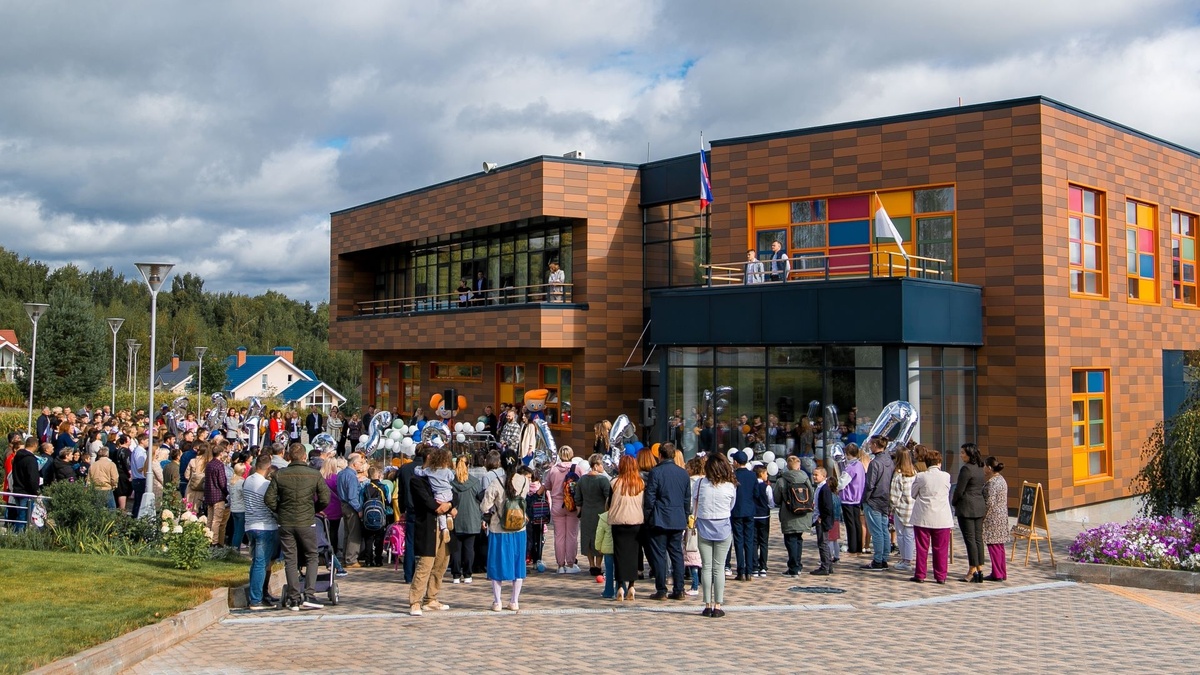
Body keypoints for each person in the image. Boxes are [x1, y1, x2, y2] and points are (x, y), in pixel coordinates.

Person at [264, 443, 331, 610]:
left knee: (290, 559)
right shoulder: (313, 474)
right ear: (304, 457)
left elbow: (269, 499)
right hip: (306, 521)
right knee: (312, 555)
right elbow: (325, 498)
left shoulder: (280, 474)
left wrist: (281, 511)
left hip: (285, 522)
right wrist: (314, 510)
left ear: (289, 457)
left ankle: (294, 598)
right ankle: (309, 594)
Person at [408, 444, 458, 616]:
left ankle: (431, 598)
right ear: (429, 459)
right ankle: (415, 601)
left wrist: (450, 504)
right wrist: (446, 506)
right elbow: (427, 502)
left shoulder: (442, 476)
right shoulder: (417, 479)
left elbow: (455, 493)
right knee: (425, 564)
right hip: (428, 525)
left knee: (441, 563)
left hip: (444, 527)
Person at [482, 458, 530, 611]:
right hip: (519, 527)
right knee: (518, 564)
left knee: (497, 564)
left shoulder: (496, 482)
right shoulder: (523, 481)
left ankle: (497, 602)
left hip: (499, 528)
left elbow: (485, 506)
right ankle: (514, 601)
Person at [644, 442, 691, 599]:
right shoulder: (683, 473)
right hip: (677, 518)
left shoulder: (656, 472)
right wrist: (684, 516)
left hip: (660, 518)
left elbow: (650, 497)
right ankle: (679, 589)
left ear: (660, 455)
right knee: (677, 554)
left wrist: (648, 516)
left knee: (659, 555)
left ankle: (661, 589)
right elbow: (686, 499)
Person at [695, 452, 737, 617]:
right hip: (723, 526)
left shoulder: (700, 484)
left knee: (706, 567)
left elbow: (694, 503)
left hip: (704, 525)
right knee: (719, 568)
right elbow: (731, 505)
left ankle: (707, 604)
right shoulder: (730, 486)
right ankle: (718, 605)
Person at [909, 445, 953, 584]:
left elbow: (913, 493)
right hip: (942, 516)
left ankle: (920, 574)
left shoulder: (921, 476)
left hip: (923, 515)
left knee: (922, 547)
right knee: (941, 548)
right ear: (939, 463)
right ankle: (941, 576)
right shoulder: (946, 476)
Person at [244, 453, 279, 610]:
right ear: (268, 467)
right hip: (265, 526)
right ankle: (256, 599)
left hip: (250, 524)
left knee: (256, 563)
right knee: (261, 563)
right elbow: (271, 504)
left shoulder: (247, 481)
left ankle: (257, 595)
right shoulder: (265, 485)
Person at [608, 454, 645, 601]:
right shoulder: (641, 483)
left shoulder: (615, 483)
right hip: (636, 521)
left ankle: (620, 587)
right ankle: (632, 585)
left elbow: (609, 502)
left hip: (618, 521)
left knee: (619, 554)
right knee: (634, 553)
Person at [541, 446, 582, 573]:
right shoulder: (578, 468)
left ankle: (560, 565)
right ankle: (570, 564)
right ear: (572, 454)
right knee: (571, 535)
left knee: (559, 536)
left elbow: (547, 486)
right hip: (572, 506)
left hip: (557, 505)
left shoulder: (553, 470)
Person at [774, 454, 813, 575]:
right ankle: (798, 564)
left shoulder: (782, 480)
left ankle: (794, 567)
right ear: (799, 466)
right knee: (798, 539)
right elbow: (811, 493)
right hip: (804, 513)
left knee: (790, 540)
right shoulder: (805, 478)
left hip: (789, 514)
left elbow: (776, 499)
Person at [953, 442, 987, 583]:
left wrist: (954, 502)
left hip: (967, 507)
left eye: (963, 453)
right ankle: (980, 568)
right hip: (979, 506)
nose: (961, 455)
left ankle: (972, 569)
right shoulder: (980, 468)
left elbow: (959, 490)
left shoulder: (966, 469)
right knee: (978, 538)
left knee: (970, 539)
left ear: (969, 454)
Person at [860, 436, 895, 571]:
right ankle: (884, 558)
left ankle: (878, 560)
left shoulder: (875, 463)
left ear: (875, 445)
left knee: (877, 531)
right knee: (884, 529)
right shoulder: (889, 461)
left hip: (874, 500)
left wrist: (865, 499)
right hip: (884, 499)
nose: (869, 446)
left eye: (870, 444)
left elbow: (870, 484)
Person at [576, 453, 613, 577]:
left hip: (586, 512)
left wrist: (579, 512)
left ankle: (591, 565)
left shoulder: (582, 480)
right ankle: (598, 565)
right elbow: (609, 496)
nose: (603, 467)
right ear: (596, 465)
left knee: (588, 538)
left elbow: (578, 498)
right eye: (602, 464)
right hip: (600, 511)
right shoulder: (603, 480)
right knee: (600, 538)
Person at [449, 456, 484, 584]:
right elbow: (480, 499)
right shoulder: (475, 482)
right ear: (468, 466)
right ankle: (468, 574)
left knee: (456, 549)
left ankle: (456, 575)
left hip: (456, 519)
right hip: (471, 519)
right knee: (469, 548)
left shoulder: (451, 483)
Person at [728, 451, 756, 581]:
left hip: (736, 511)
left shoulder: (733, 475)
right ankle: (749, 570)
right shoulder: (752, 475)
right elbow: (756, 494)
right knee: (749, 541)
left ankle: (741, 570)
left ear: (736, 462)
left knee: (739, 540)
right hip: (749, 511)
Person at [890, 446, 917, 573]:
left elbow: (894, 496)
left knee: (901, 535)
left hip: (901, 509)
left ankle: (905, 560)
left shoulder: (898, 474)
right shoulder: (914, 472)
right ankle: (908, 559)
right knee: (910, 536)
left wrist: (891, 507)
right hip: (913, 508)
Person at [982, 457, 1010, 582]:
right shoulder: (1002, 480)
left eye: (984, 466)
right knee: (999, 546)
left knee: (993, 545)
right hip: (1002, 515)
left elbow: (989, 502)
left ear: (989, 468)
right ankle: (1001, 572)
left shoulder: (992, 483)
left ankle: (997, 573)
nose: (983, 469)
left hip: (992, 517)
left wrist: (982, 516)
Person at [337, 452, 366, 568]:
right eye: (360, 463)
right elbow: (352, 496)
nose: (361, 465)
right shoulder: (352, 476)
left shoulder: (341, 474)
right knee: (354, 534)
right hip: (351, 506)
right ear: (354, 464)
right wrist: (359, 509)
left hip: (343, 505)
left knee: (347, 533)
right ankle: (351, 559)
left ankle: (345, 557)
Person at [416, 447, 455, 533]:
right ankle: (449, 516)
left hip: (438, 494)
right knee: (447, 503)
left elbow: (419, 472)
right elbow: (452, 478)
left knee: (440, 512)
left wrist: (417, 468)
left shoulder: (429, 471)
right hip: (448, 492)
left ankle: (444, 528)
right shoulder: (447, 471)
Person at [360, 465, 392, 567]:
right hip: (380, 516)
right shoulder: (384, 487)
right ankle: (378, 560)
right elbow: (389, 500)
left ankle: (368, 560)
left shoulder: (365, 487)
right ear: (378, 475)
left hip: (367, 517)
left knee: (368, 538)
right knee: (379, 538)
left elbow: (361, 501)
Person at [839, 444, 865, 556]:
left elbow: (842, 483)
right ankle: (859, 546)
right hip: (858, 497)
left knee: (850, 524)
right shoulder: (860, 465)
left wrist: (835, 486)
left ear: (848, 454)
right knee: (857, 522)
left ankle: (852, 547)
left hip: (848, 498)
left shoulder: (850, 467)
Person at [810, 465, 836, 575]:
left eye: (816, 475)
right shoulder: (820, 488)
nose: (814, 477)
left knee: (823, 543)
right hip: (819, 517)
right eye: (813, 475)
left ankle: (825, 566)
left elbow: (828, 507)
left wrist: (821, 517)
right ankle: (828, 565)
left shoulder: (825, 489)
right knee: (823, 542)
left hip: (822, 520)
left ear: (823, 476)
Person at [205, 443, 231, 545]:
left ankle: (207, 538)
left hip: (209, 495)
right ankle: (214, 542)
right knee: (217, 520)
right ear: (220, 454)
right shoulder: (219, 465)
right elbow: (222, 482)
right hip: (218, 495)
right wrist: (226, 492)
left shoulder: (209, 464)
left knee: (210, 519)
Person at [751, 464, 772, 577]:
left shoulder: (752, 486)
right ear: (761, 474)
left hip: (753, 516)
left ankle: (754, 567)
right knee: (764, 541)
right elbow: (771, 501)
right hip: (764, 516)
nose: (767, 475)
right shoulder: (766, 487)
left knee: (754, 542)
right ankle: (763, 567)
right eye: (766, 473)